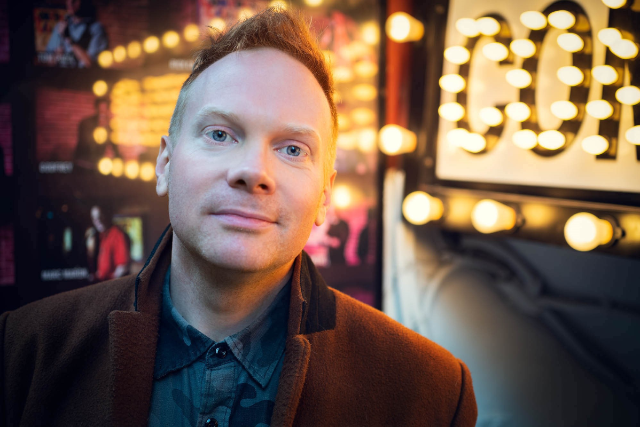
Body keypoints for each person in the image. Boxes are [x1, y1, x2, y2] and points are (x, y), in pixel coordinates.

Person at [1, 8, 477, 426]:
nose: (253, 171)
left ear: (325, 195)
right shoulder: (21, 351)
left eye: (293, 149)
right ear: (164, 163)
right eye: (220, 134)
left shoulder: (430, 392)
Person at [45, 0, 108, 68]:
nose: (70, 3)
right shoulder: (60, 26)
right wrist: (57, 55)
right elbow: (48, 62)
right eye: (68, 0)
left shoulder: (95, 28)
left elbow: (89, 63)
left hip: (81, 74)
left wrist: (68, 38)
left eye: (75, 0)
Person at [88, 205, 130, 282]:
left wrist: (109, 286)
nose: (98, 221)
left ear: (106, 215)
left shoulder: (117, 234)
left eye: (100, 216)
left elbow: (123, 267)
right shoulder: (102, 236)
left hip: (110, 286)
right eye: (94, 218)